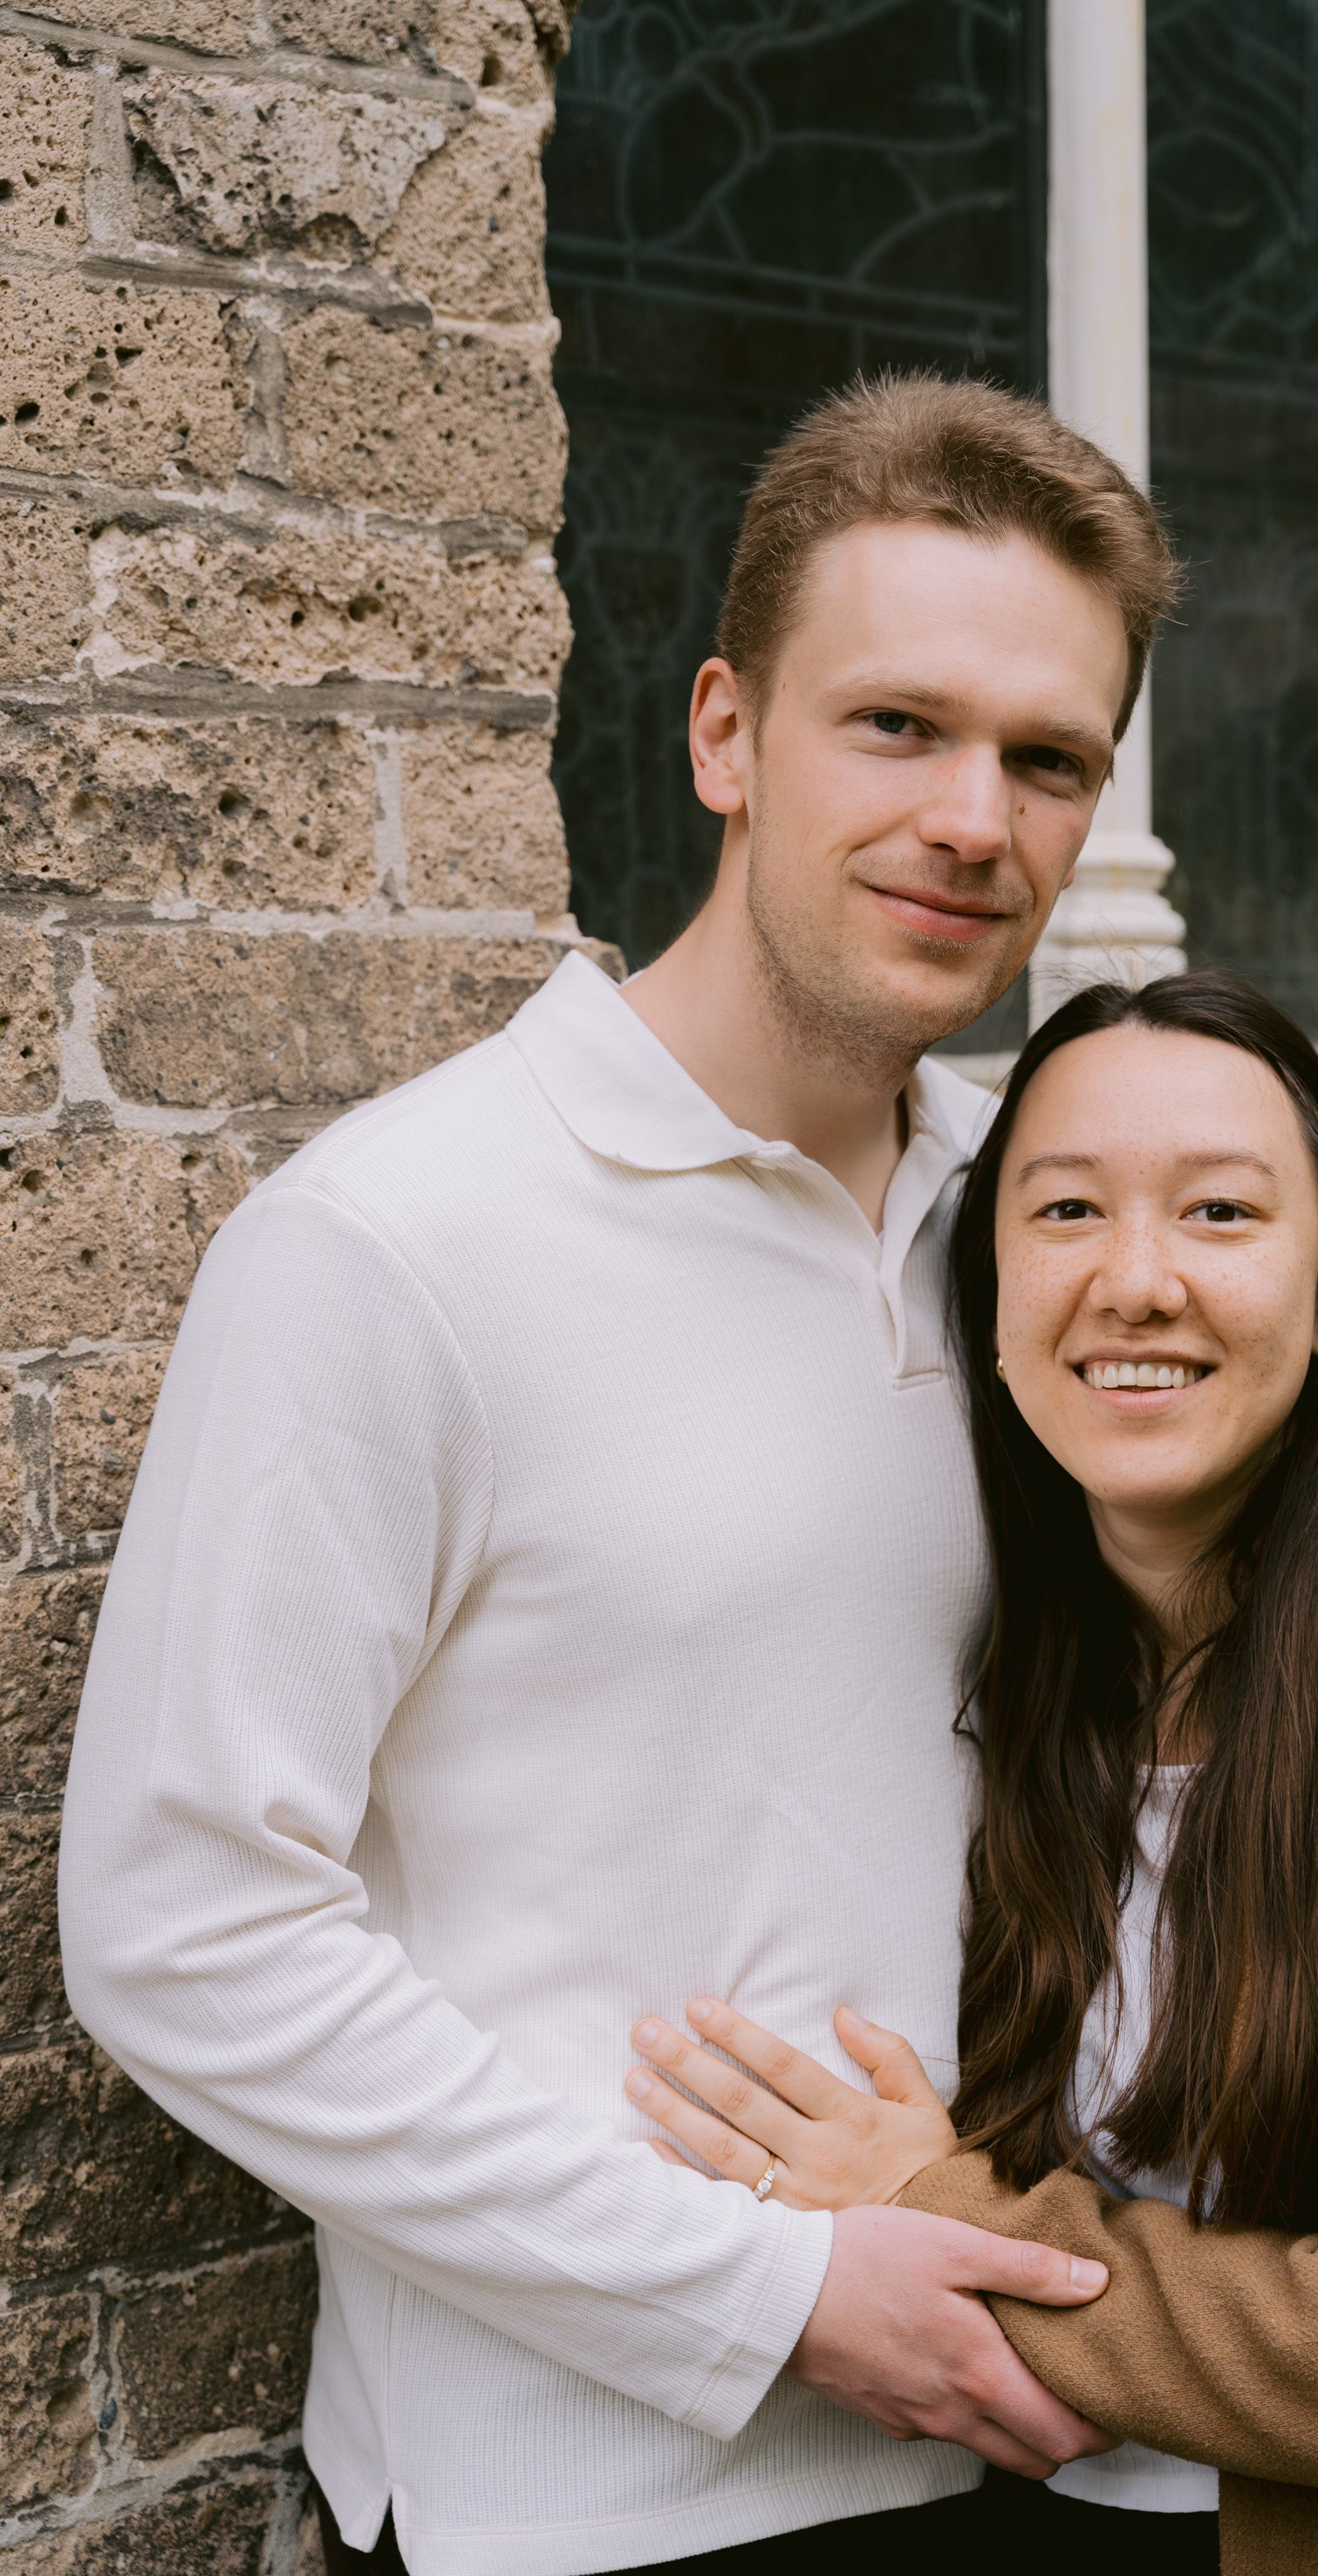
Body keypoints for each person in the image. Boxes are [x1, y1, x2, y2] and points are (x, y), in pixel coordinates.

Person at [55, 374, 1178, 2574]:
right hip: (589, 2506)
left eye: (1046, 760)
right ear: (725, 738)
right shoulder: (398, 1241)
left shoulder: (1037, 1224)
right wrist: (761, 2294)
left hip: (1038, 2435)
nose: (976, 817)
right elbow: (185, 1924)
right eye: (897, 726)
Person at [621, 971, 1318, 2574]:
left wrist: (951, 2206)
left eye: (1218, 1212)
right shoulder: (985, 1642)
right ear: (988, 1300)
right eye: (1064, 1209)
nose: (1136, 1282)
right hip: (1010, 2498)